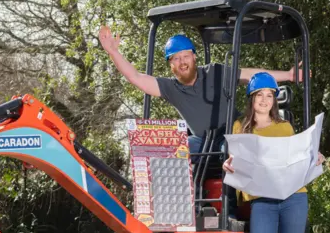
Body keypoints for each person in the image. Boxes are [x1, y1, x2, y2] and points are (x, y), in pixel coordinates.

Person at [98, 26, 307, 159]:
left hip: (231, 134)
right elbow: (137, 78)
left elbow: (250, 74)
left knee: (228, 151)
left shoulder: (215, 71)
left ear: (194, 57)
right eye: (176, 58)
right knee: (177, 150)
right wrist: (113, 52)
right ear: (170, 64)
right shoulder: (171, 87)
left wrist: (288, 75)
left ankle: (230, 209)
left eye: (185, 56)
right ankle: (184, 209)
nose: (182, 62)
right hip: (201, 141)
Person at [222, 72, 325, 233]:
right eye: (259, 94)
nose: (264, 100)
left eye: (269, 95)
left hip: (294, 198)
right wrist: (228, 164)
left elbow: (296, 158)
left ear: (274, 100)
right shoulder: (240, 126)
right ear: (251, 98)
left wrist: (314, 157)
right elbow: (235, 158)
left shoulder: (285, 127)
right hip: (262, 199)